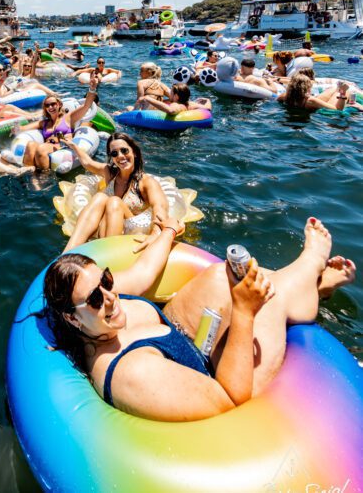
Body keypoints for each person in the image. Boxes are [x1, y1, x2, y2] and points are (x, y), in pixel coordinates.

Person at [42, 217, 355, 421]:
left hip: (187, 345)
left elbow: (143, 273)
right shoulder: (132, 372)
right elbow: (229, 400)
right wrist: (244, 311)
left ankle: (311, 284)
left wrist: (166, 230)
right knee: (270, 300)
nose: (110, 296)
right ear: (72, 319)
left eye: (107, 280)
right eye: (96, 298)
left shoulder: (101, 311)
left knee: (224, 275)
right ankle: (311, 273)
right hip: (227, 386)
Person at [62, 133, 169, 251]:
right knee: (100, 197)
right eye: (114, 153)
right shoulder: (110, 173)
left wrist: (155, 233)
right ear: (112, 158)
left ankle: (107, 254)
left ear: (134, 152)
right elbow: (88, 163)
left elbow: (160, 207)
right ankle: (67, 252)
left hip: (130, 234)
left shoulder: (146, 182)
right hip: (104, 229)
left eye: (124, 150)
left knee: (114, 201)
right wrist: (74, 146)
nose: (120, 156)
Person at [18, 74, 99, 170]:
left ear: (59, 104)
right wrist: (14, 127)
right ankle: (30, 174)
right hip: (46, 147)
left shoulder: (68, 118)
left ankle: (43, 179)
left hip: (62, 147)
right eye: (47, 105)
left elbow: (86, 105)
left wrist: (92, 88)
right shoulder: (44, 123)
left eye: (53, 104)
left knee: (41, 149)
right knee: (31, 144)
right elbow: (22, 129)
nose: (50, 107)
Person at [278, 74, 363, 112]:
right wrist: (343, 92)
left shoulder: (284, 96)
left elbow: (277, 100)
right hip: (311, 105)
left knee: (333, 88)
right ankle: (341, 89)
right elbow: (337, 109)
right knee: (346, 90)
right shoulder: (310, 100)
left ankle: (337, 88)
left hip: (307, 104)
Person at [140, 83, 212, 114]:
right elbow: (208, 108)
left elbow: (171, 111)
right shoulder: (191, 104)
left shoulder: (178, 105)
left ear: (176, 96)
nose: (169, 95)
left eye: (171, 93)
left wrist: (148, 99)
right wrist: (208, 100)